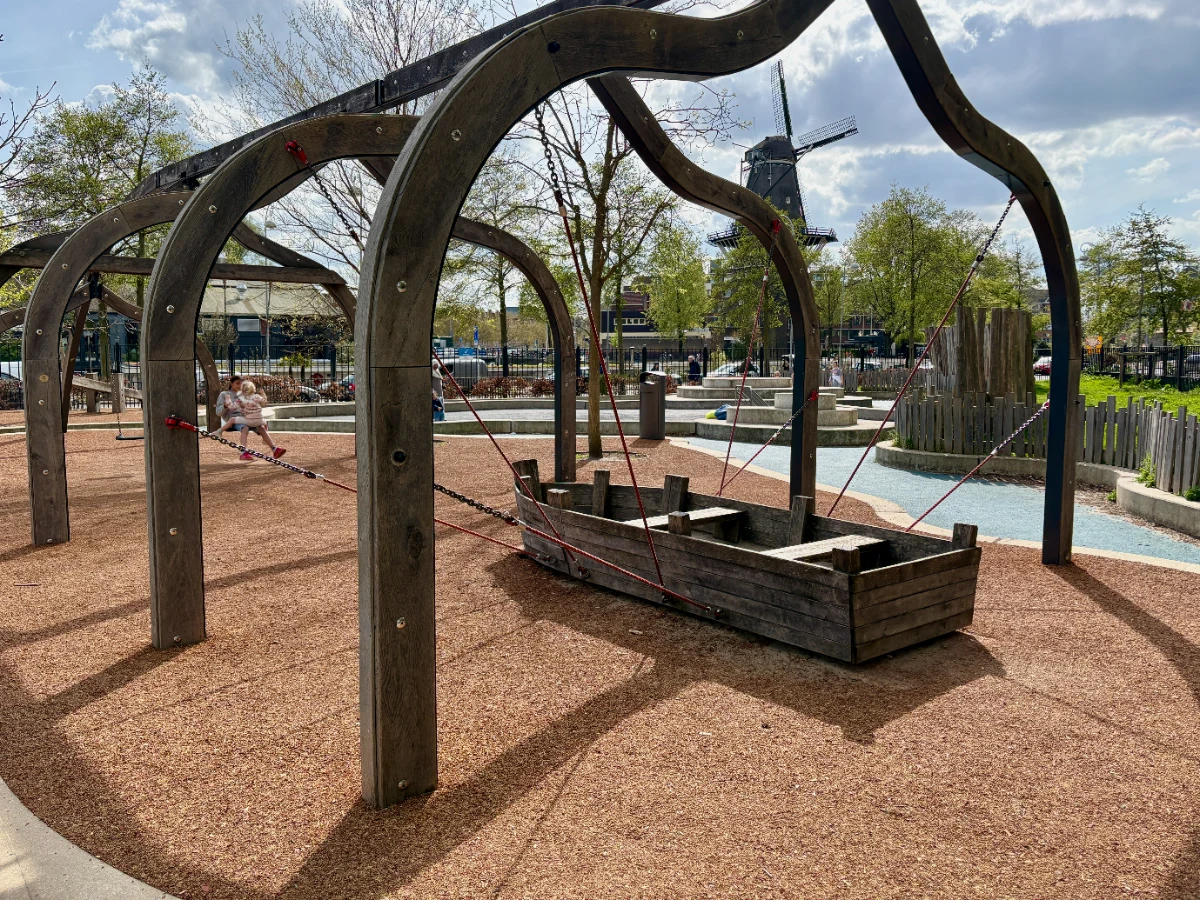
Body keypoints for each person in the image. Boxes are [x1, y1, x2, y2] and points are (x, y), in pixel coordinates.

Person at [234, 380, 285, 460]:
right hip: (258, 421)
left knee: (244, 429)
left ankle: (243, 452)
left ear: (242, 390)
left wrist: (240, 408)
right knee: (262, 429)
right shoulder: (257, 396)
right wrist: (263, 394)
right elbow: (264, 403)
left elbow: (235, 408)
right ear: (253, 389)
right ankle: (274, 449)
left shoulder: (241, 398)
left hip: (248, 420)